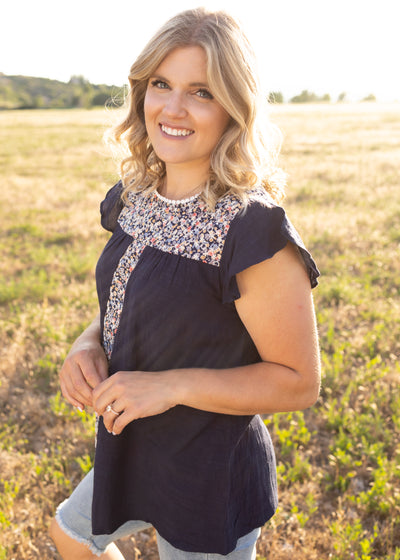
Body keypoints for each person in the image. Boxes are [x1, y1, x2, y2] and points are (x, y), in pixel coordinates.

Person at [50, 7, 321, 560]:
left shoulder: (251, 229)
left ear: (233, 107)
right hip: (134, 444)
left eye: (201, 91)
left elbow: (297, 383)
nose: (172, 108)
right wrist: (87, 343)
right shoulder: (133, 199)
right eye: (161, 84)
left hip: (207, 468)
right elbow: (133, 299)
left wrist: (169, 386)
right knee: (71, 536)